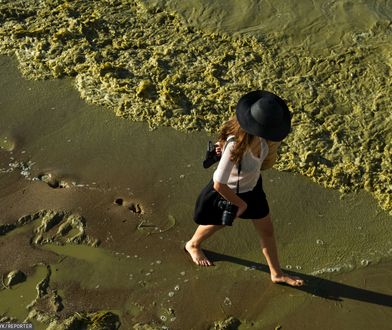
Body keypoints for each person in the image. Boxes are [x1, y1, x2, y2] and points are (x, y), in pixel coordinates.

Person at [185, 90, 304, 287]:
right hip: (230, 192)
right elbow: (218, 182)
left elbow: (263, 164)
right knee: (219, 222)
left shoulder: (266, 140)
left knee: (267, 231)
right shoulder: (235, 146)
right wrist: (239, 203)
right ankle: (193, 245)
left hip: (253, 189)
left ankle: (277, 274)